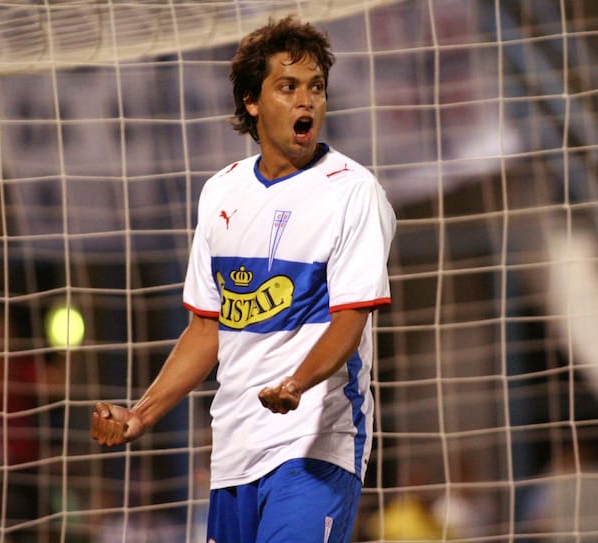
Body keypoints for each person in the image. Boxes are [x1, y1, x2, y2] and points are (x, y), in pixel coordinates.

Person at [91, 16, 395, 543]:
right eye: (288, 87)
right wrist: (141, 415)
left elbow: (351, 319)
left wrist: (297, 384)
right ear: (252, 103)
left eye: (316, 87)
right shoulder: (220, 193)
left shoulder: (352, 192)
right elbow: (206, 329)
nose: (308, 101)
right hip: (234, 452)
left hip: (315, 445)